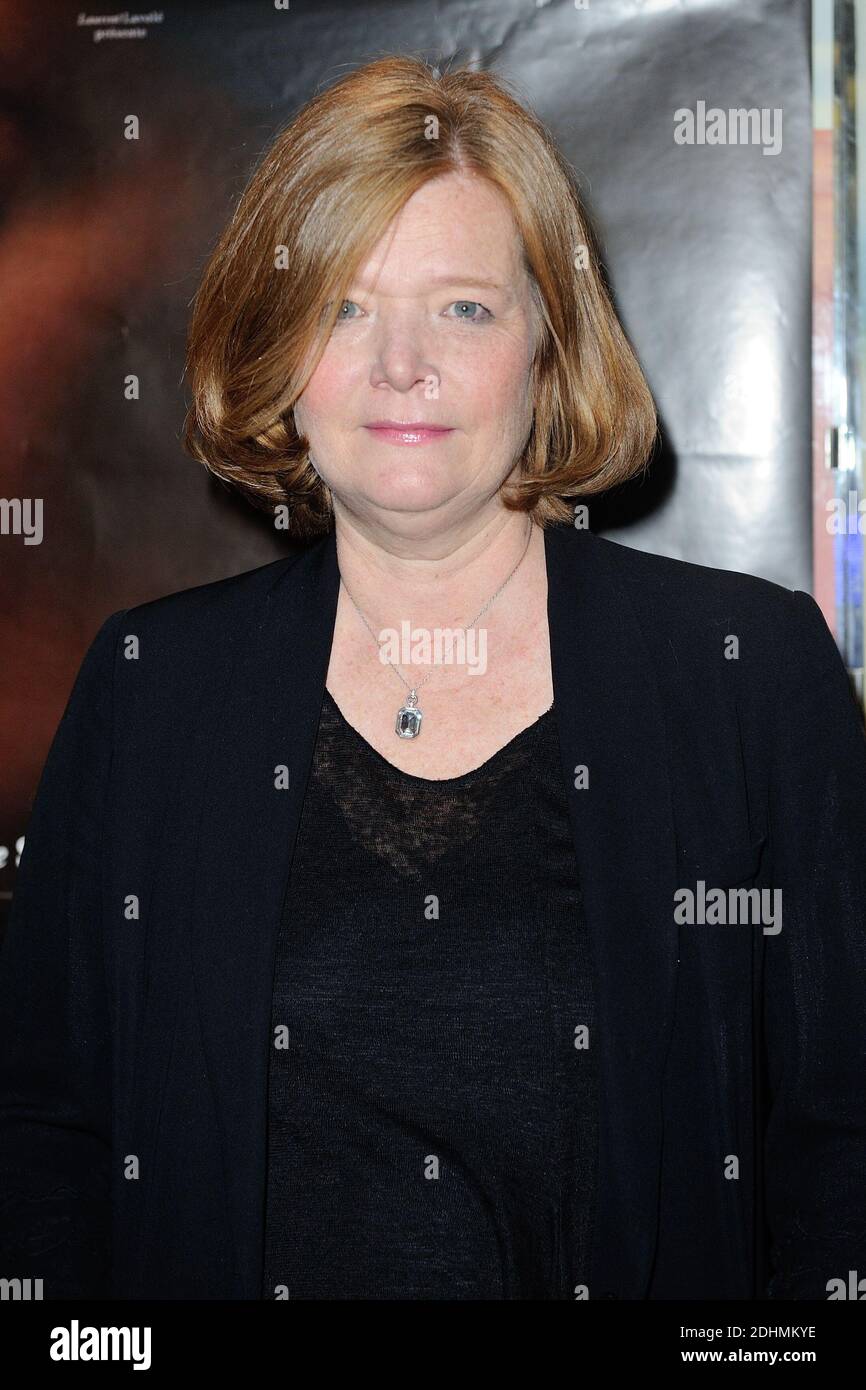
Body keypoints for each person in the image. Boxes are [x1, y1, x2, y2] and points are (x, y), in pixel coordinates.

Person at [2, 54, 866, 1302]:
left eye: (463, 307)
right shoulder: (151, 692)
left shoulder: (745, 682)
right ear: (282, 356)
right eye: (345, 307)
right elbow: (47, 1141)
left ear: (546, 345)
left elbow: (838, 1142)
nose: (400, 363)